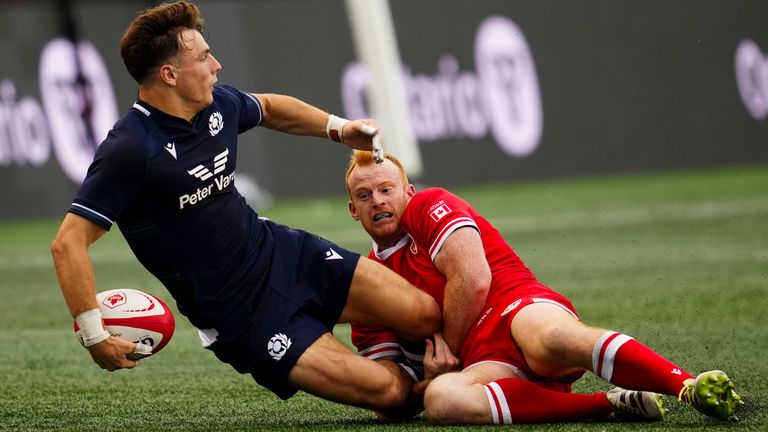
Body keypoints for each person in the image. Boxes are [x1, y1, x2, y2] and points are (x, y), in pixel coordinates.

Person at [50, 1, 442, 412]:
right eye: (203, 57)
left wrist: (340, 129)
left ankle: (424, 365)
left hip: (281, 253)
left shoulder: (216, 103)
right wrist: (94, 335)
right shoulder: (129, 149)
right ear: (169, 74)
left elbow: (271, 108)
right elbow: (68, 244)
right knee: (392, 395)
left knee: (424, 315)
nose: (216, 65)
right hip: (241, 314)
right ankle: (431, 383)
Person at [344, 150, 744, 424]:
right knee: (443, 401)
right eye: (364, 195)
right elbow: (385, 393)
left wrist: (444, 349)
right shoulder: (368, 285)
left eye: (386, 189)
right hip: (485, 365)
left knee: (546, 339)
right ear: (353, 210)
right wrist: (422, 386)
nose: (377, 201)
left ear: (407, 193)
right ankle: (606, 405)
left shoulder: (429, 204)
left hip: (515, 307)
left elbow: (475, 281)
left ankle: (687, 385)